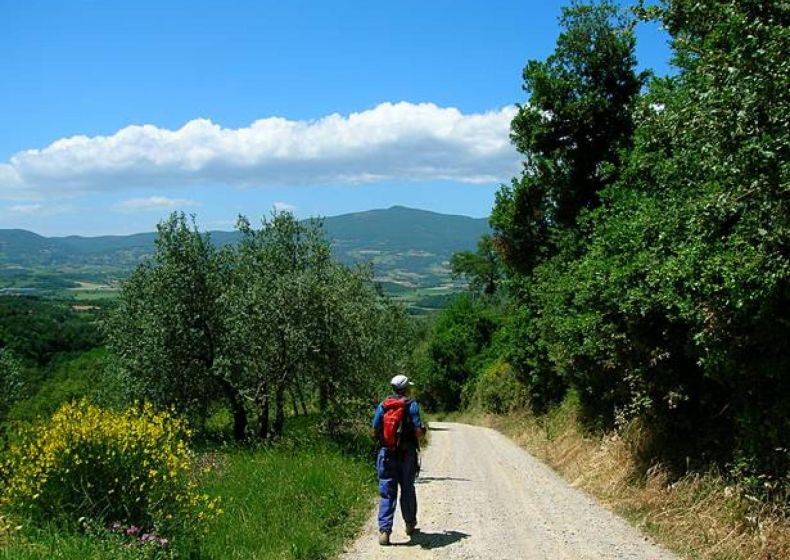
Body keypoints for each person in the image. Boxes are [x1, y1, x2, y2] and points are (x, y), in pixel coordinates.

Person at [371, 374, 426, 546]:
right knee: (407, 488)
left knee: (387, 491)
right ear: (406, 389)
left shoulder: (383, 405)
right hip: (406, 454)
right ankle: (409, 525)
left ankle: (384, 532)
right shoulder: (411, 405)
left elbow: (374, 431)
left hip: (386, 453)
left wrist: (386, 441)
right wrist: (422, 433)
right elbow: (418, 431)